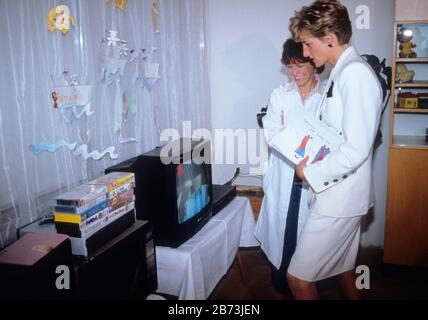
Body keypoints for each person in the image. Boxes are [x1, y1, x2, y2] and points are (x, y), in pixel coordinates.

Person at [286, 0, 382, 299]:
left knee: (298, 279)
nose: (304, 52)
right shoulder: (342, 71)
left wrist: (309, 171)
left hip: (340, 199)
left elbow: (356, 150)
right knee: (342, 268)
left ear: (329, 38)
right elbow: (338, 134)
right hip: (343, 194)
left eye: (306, 43)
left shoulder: (355, 74)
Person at [254, 38, 325, 293]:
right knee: (284, 229)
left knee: (310, 232)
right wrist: (301, 144)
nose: (294, 73)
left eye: (300, 66)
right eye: (290, 67)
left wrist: (294, 135)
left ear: (314, 64)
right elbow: (273, 133)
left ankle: (307, 283)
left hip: (316, 172)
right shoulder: (279, 95)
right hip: (286, 172)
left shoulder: (328, 96)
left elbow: (331, 136)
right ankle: (283, 281)